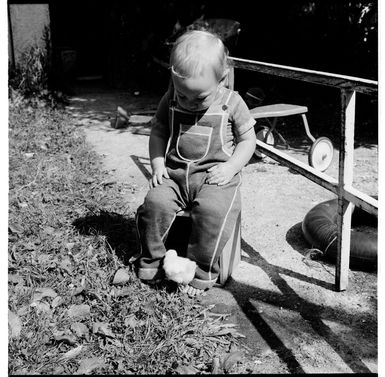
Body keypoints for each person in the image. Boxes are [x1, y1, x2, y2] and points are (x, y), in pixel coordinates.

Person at [135, 29, 256, 296]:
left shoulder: (231, 103)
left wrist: (232, 167)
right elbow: (158, 131)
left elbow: (248, 141)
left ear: (222, 79)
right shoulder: (170, 100)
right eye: (183, 94)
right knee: (154, 203)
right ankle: (152, 260)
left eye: (199, 97)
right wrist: (157, 165)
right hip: (176, 175)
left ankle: (200, 271)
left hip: (215, 178)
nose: (189, 103)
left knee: (213, 211)